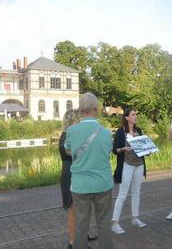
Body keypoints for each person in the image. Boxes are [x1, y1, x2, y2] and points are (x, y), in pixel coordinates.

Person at [64, 92, 114, 249]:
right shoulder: (106, 132)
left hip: (80, 186)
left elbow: (68, 151)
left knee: (81, 226)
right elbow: (107, 153)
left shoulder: (71, 131)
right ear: (96, 109)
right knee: (104, 225)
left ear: (80, 110)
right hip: (103, 184)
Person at [59, 109, 98, 248]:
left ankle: (83, 236)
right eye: (78, 120)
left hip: (77, 173)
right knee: (73, 210)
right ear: (73, 121)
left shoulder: (70, 135)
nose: (81, 122)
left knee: (83, 209)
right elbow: (74, 154)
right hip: (70, 175)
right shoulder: (66, 136)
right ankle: (73, 243)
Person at [111, 108, 148, 235]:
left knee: (136, 192)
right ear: (126, 117)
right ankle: (115, 223)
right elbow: (114, 150)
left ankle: (135, 218)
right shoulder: (121, 132)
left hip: (139, 165)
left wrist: (147, 150)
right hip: (126, 165)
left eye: (135, 114)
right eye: (133, 114)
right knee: (122, 194)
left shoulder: (139, 131)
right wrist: (123, 149)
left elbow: (142, 148)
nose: (135, 116)